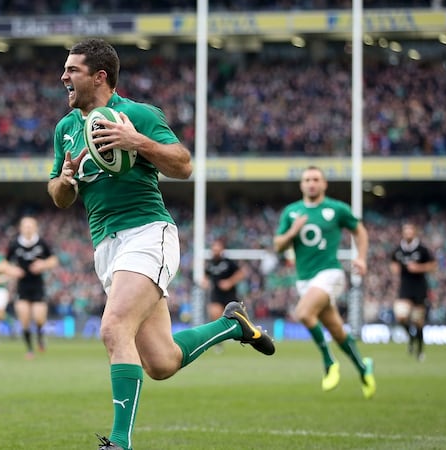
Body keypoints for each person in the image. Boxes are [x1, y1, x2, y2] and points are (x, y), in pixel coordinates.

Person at [47, 38, 275, 450]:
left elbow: (183, 165)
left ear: (99, 76)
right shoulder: (65, 129)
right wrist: (65, 179)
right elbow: (59, 197)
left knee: (114, 328)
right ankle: (231, 325)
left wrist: (139, 143)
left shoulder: (137, 114)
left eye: (72, 70)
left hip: (148, 233)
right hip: (106, 248)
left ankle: (119, 443)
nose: (63, 76)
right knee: (162, 362)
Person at [273, 165, 375, 399]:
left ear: (324, 184)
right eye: (307, 179)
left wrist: (361, 257)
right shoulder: (292, 212)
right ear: (301, 184)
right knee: (337, 330)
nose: (311, 183)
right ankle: (362, 367)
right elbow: (278, 245)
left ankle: (329, 362)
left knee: (303, 313)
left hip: (331, 274)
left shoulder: (336, 209)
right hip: (305, 280)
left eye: (316, 179)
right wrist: (293, 231)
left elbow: (360, 231)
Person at [6, 215, 59, 358]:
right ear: (21, 228)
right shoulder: (14, 244)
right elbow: (5, 263)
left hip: (38, 285)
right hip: (22, 286)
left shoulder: (42, 243)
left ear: (35, 228)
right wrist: (12, 271)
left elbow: (53, 260)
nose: (28, 228)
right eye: (25, 226)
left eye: (31, 225)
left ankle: (41, 337)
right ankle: (30, 350)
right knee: (24, 320)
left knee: (39, 318)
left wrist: (43, 265)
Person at [390, 223, 436, 361]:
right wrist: (395, 269)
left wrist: (419, 268)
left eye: (410, 230)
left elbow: (433, 266)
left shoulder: (422, 250)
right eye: (406, 230)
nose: (408, 232)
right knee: (401, 317)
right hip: (405, 287)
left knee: (418, 321)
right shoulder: (398, 250)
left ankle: (420, 351)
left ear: (414, 232)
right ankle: (411, 337)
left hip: (419, 288)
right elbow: (393, 263)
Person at [201, 238, 248, 352]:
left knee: (237, 318)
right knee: (215, 314)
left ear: (222, 249)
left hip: (230, 295)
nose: (215, 250)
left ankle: (245, 335)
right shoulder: (210, 264)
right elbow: (206, 277)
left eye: (217, 248)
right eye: (214, 248)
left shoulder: (228, 262)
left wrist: (229, 282)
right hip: (216, 294)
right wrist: (205, 282)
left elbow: (241, 273)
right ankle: (219, 342)